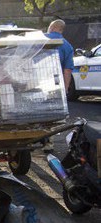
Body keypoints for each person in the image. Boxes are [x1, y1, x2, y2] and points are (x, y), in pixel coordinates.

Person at [43, 19, 74, 153]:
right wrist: (65, 88)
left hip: (37, 82)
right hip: (55, 84)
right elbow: (67, 70)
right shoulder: (67, 46)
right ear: (61, 30)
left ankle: (31, 138)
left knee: (35, 112)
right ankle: (48, 142)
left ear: (52, 27)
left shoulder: (40, 39)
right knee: (51, 114)